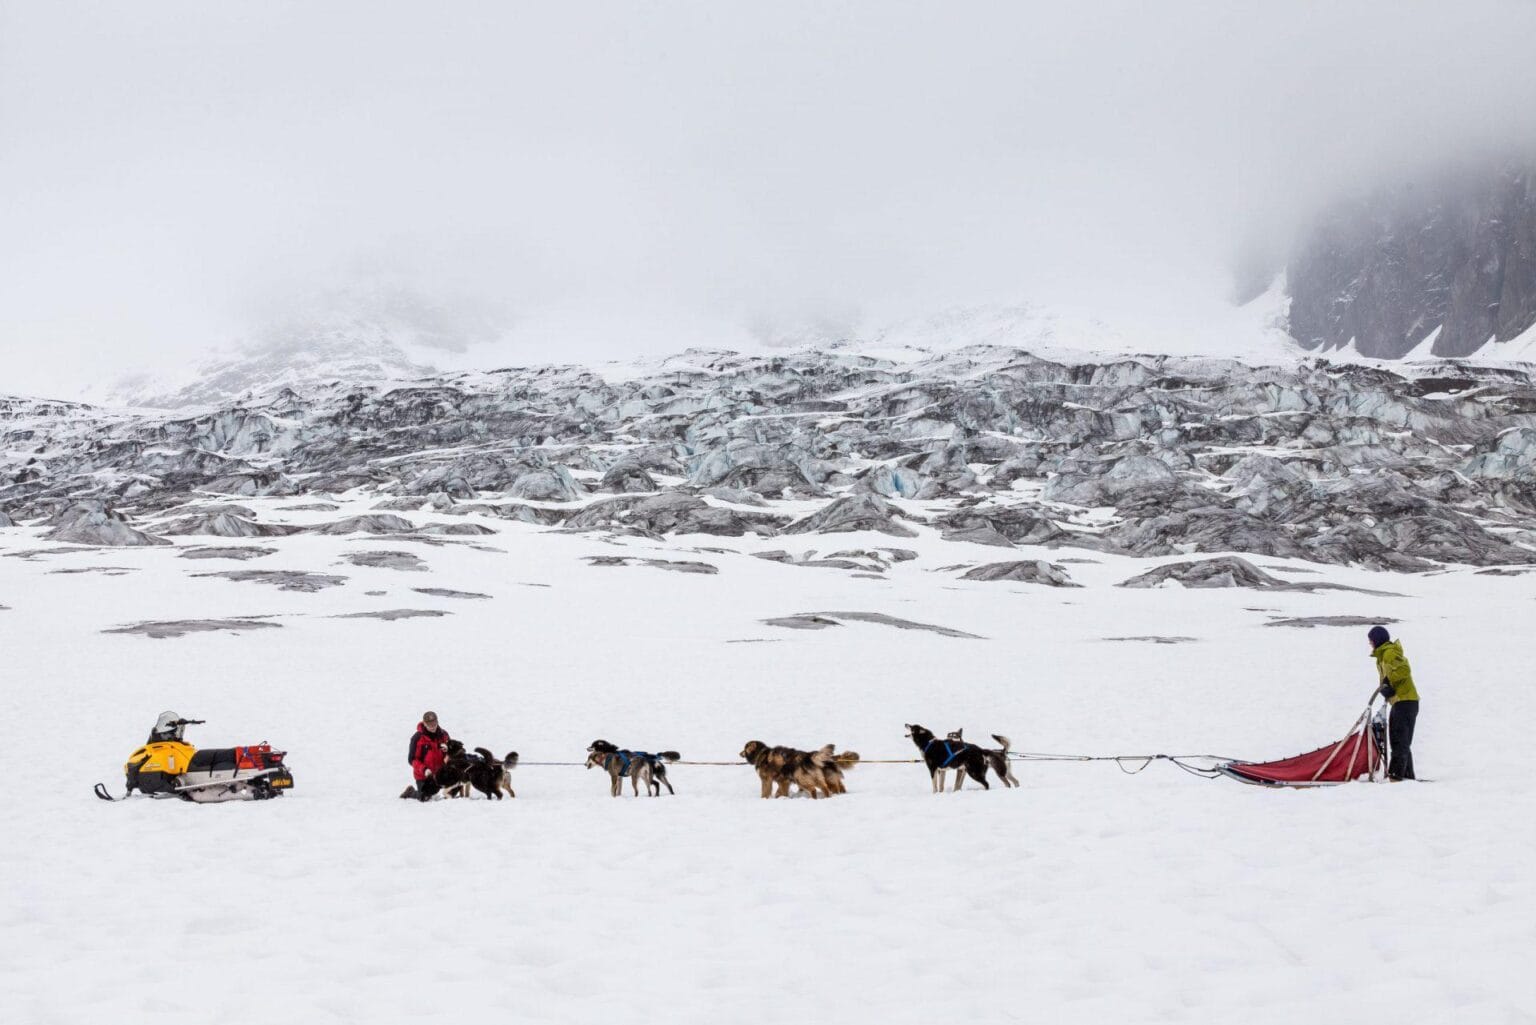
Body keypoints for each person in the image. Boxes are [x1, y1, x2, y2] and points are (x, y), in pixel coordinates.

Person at [1369, 626, 1419, 781]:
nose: (1370, 644)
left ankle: (1396, 776)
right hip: (1402, 701)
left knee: (1399, 740)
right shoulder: (1383, 655)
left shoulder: (1389, 653)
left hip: (1405, 701)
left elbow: (1404, 670)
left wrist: (1389, 683)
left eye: (1371, 640)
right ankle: (1407, 776)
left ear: (1376, 640)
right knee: (1401, 740)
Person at [404, 711, 450, 799]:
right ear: (424, 724)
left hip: (440, 774)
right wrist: (424, 769)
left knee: (451, 793)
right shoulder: (417, 738)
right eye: (429, 724)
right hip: (423, 775)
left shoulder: (444, 735)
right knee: (425, 797)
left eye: (434, 723)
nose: (432, 727)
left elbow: (451, 751)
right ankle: (410, 792)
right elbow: (412, 759)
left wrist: (448, 754)